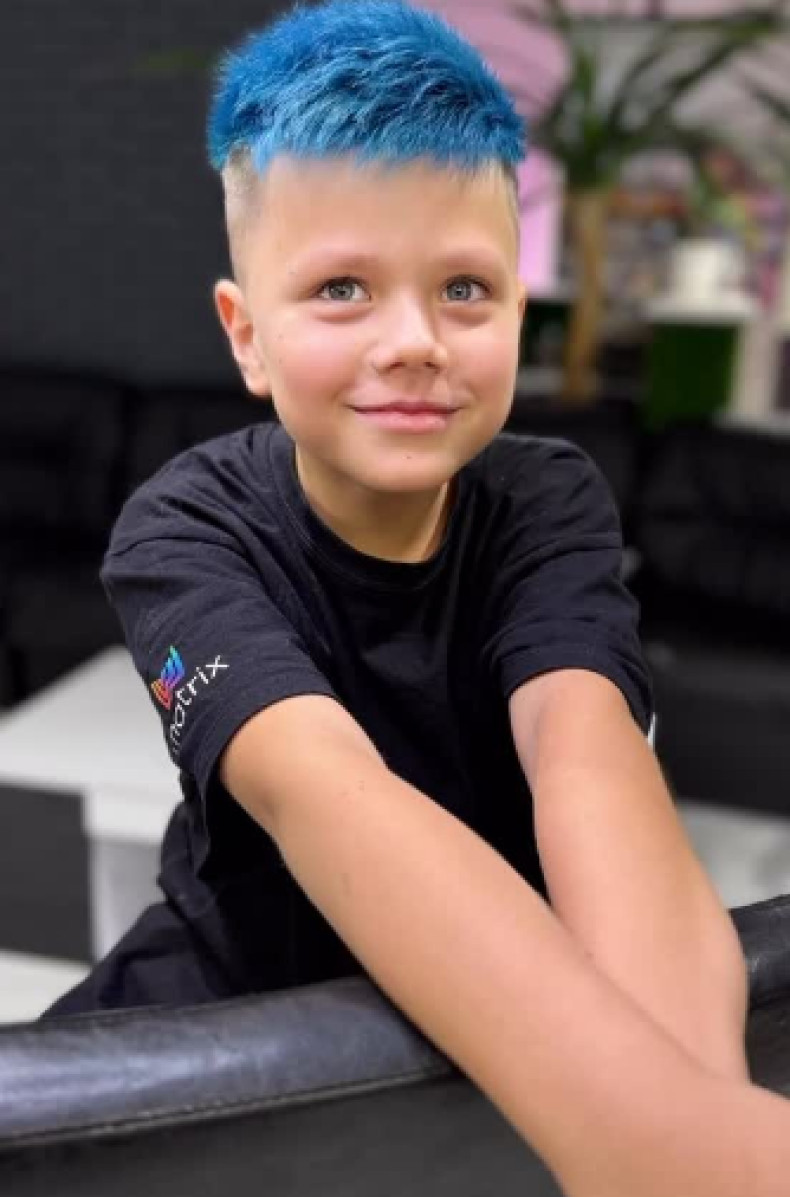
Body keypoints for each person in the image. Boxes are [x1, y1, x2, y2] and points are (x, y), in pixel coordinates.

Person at [41, 2, 790, 1193]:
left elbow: (586, 752)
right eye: (342, 288)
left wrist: (690, 1119)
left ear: (515, 310)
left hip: (518, 993)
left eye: (465, 289)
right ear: (247, 334)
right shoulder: (183, 530)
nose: (414, 341)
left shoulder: (546, 497)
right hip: (243, 987)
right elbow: (324, 794)